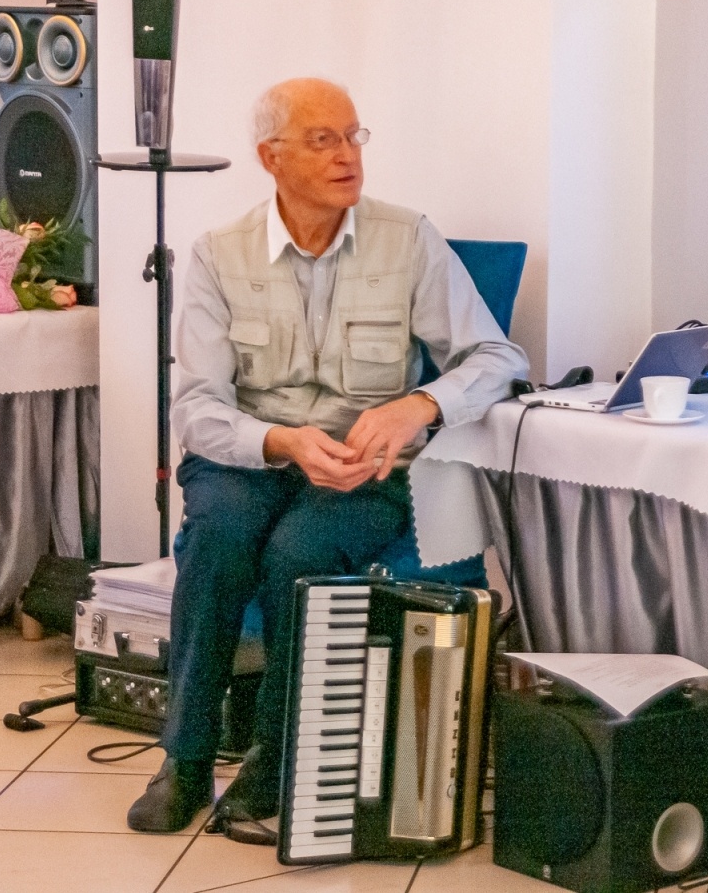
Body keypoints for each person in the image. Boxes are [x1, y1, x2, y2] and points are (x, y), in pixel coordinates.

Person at [127, 78, 528, 833]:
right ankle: (183, 759)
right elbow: (197, 409)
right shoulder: (218, 255)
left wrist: (421, 403)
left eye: (354, 136)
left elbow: (497, 355)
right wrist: (278, 441)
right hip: (249, 459)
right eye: (323, 140)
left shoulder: (408, 239)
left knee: (296, 555)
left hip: (361, 467)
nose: (348, 156)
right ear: (270, 158)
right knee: (217, 540)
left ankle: (273, 764)